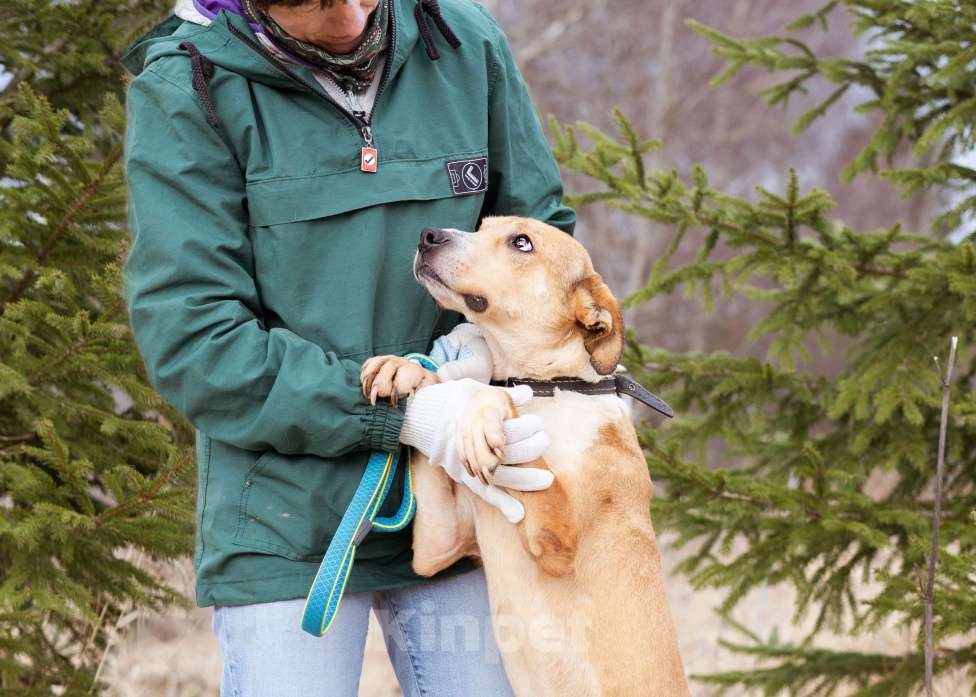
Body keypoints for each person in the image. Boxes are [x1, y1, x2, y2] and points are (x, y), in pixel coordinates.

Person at [121, 0, 575, 694]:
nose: (356, 17)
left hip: (463, 498)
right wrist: (409, 415)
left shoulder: (462, 40)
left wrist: (472, 353)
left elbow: (540, 240)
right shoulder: (190, 84)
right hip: (284, 520)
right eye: (325, 4)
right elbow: (197, 338)